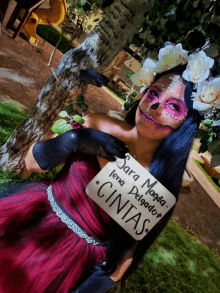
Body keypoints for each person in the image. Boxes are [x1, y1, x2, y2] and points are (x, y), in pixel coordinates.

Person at [0, 42, 215, 292]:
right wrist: (70, 141)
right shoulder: (99, 124)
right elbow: (31, 163)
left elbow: (121, 262)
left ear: (186, 123)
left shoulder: (158, 182)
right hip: (29, 219)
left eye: (173, 106)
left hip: (66, 260)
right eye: (154, 93)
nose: (154, 108)